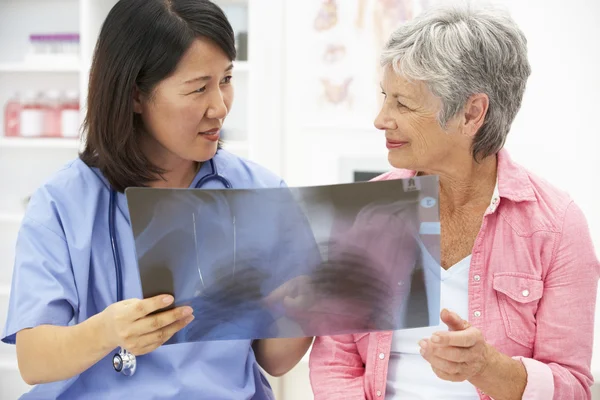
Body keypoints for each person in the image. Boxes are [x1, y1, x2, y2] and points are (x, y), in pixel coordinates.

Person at [1, 0, 311, 398]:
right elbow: (34, 361)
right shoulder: (63, 203)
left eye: (226, 79)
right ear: (135, 95)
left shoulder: (261, 193)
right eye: (199, 88)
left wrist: (308, 309)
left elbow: (274, 359)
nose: (219, 106)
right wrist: (108, 330)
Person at [309, 3, 600, 400]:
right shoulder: (365, 210)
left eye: (404, 104)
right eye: (385, 96)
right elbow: (336, 362)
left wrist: (489, 368)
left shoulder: (558, 225)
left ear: (471, 113)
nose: (381, 118)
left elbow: (573, 387)